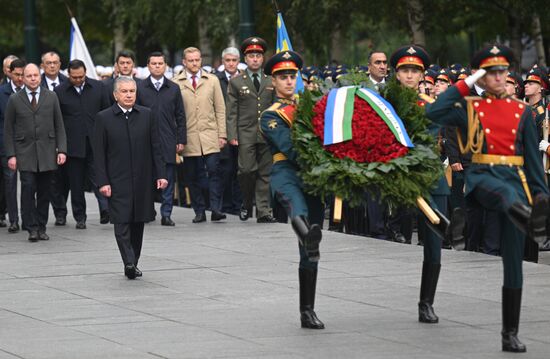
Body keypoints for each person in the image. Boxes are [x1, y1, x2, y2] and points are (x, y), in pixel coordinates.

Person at [426, 44, 549, 352]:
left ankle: (510, 333)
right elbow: (433, 111)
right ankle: (521, 216)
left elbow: (533, 162)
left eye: (502, 72)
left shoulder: (522, 112)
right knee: (507, 197)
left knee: (514, 263)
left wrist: (542, 199)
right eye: (490, 72)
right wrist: (465, 83)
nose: (498, 77)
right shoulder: (469, 106)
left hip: (515, 183)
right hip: (482, 178)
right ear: (482, 77)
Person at [390, 45, 463, 325]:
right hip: (394, 174)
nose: (410, 75)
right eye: (405, 70)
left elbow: (425, 139)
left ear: (421, 75)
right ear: (397, 74)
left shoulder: (431, 106)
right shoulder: (384, 103)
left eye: (415, 71)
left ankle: (426, 303)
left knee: (433, 243)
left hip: (427, 175)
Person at [260, 50, 324, 330]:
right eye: (282, 77)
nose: (288, 81)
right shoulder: (271, 116)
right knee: (298, 211)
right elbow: (290, 148)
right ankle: (307, 235)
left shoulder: (312, 107)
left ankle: (307, 311)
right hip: (286, 173)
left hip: (315, 177)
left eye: (292, 76)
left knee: (309, 250)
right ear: (273, 82)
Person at [93, 76, 167, 279]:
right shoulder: (104, 118)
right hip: (117, 180)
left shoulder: (146, 115)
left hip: (142, 178)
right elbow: (99, 153)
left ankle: (133, 261)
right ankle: (128, 261)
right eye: (124, 91)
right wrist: (103, 181)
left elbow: (156, 147)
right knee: (121, 221)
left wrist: (161, 174)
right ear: (115, 94)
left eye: (131, 91)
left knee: (138, 222)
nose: (128, 95)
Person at [3, 63, 67, 242]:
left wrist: (61, 150)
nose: (32, 79)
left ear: (40, 77)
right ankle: (31, 227)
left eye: (35, 76)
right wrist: (11, 155)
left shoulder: (51, 96)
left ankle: (42, 226)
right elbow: (8, 129)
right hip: (25, 152)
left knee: (45, 191)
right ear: (22, 78)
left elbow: (59, 125)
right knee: (28, 189)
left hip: (47, 152)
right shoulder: (15, 99)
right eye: (28, 76)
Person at [53, 59, 110, 229]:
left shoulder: (99, 87)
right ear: (68, 75)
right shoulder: (60, 91)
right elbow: (58, 120)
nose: (78, 80)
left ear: (85, 73)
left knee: (99, 178)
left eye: (81, 76)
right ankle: (80, 217)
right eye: (74, 77)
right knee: (76, 183)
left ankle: (105, 210)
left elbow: (107, 113)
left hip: (96, 143)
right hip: (73, 146)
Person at [173, 47, 226, 223]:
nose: (195, 63)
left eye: (197, 60)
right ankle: (199, 210)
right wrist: (177, 139)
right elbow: (175, 113)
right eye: (191, 60)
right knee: (192, 175)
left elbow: (220, 109)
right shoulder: (176, 83)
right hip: (189, 137)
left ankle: (216, 208)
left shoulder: (212, 81)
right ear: (184, 62)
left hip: (210, 135)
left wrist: (222, 134)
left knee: (214, 171)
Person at [227, 37, 277, 223]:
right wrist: (232, 134)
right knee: (246, 171)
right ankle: (247, 202)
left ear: (262, 58)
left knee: (265, 173)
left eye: (258, 56)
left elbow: (275, 108)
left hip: (266, 133)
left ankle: (264, 210)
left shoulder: (270, 80)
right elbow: (231, 111)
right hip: (245, 133)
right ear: (245, 59)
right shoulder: (237, 81)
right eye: (251, 56)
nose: (255, 59)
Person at [137, 52, 186, 226]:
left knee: (168, 177)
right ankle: (148, 211)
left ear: (165, 66)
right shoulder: (140, 87)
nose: (157, 66)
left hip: (167, 138)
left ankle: (166, 213)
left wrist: (181, 139)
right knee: (147, 177)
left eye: (160, 63)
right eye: (154, 63)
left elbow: (180, 115)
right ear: (148, 66)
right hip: (145, 140)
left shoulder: (173, 88)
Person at [215, 47, 242, 215]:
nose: (231, 63)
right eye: (228, 60)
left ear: (239, 62)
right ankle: (225, 206)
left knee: (241, 171)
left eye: (234, 60)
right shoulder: (215, 80)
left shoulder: (245, 79)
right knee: (225, 170)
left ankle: (239, 206)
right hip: (223, 132)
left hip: (242, 132)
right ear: (222, 62)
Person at [0, 57, 22, 232]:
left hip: (29, 145)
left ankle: (31, 218)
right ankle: (13, 219)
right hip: (8, 146)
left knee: (31, 184)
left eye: (23, 74)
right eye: (17, 75)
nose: (21, 78)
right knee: (10, 183)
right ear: (9, 73)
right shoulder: (2, 93)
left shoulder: (34, 92)